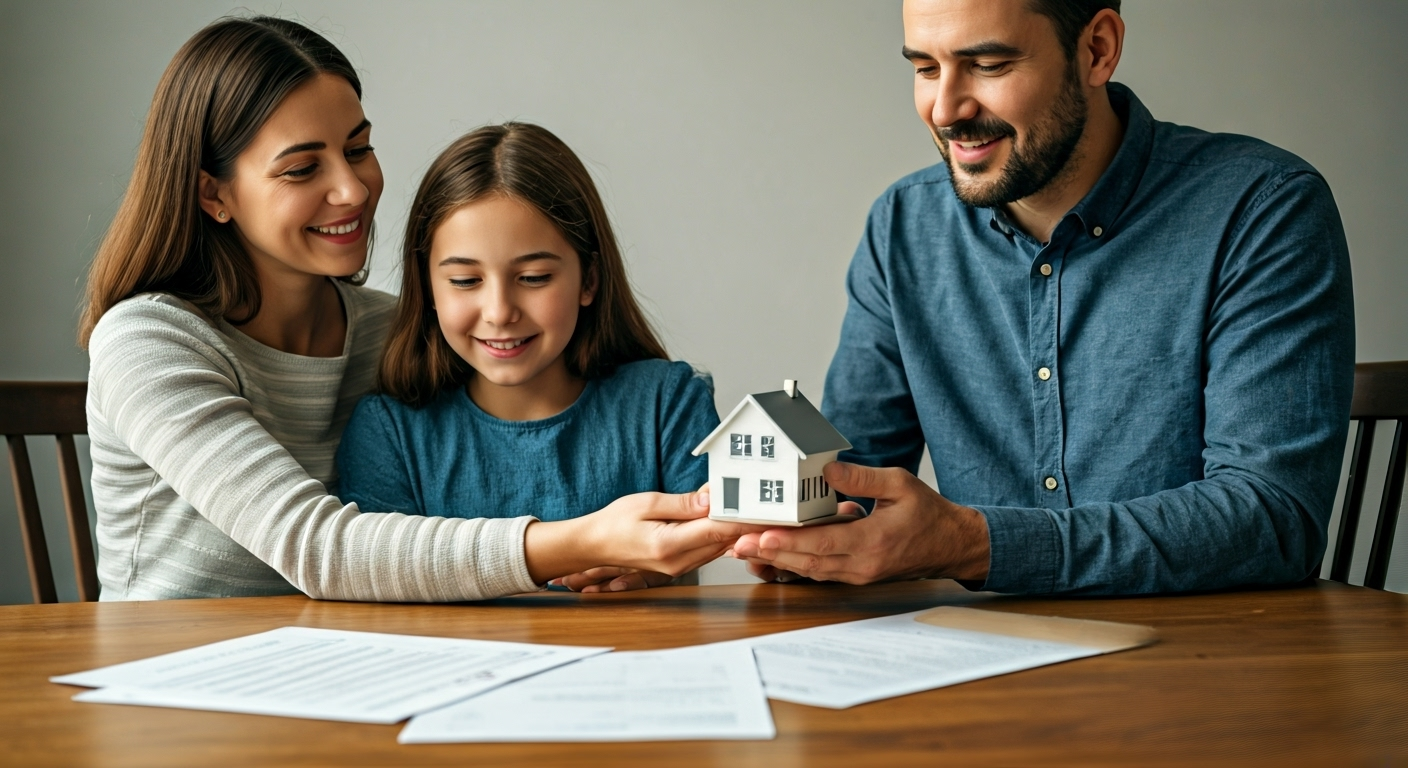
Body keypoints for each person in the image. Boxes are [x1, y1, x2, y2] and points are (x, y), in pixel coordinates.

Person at [80, 16, 746, 602]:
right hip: (170, 673)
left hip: (335, 661)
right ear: (212, 193)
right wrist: (581, 542)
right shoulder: (148, 341)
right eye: (302, 169)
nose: (352, 188)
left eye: (358, 148)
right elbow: (319, 549)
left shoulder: (389, 333)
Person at [732, 0, 1355, 594]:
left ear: (1097, 50)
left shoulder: (1262, 208)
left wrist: (976, 544)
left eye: (989, 65)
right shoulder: (903, 227)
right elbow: (851, 485)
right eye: (925, 68)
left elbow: (1273, 519)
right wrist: (791, 536)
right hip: (977, 661)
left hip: (1207, 666)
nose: (944, 109)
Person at [336, 122, 720, 593]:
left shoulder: (667, 403)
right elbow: (375, 574)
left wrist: (654, 574)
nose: (499, 312)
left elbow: (717, 539)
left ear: (589, 281)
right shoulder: (390, 432)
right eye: (464, 281)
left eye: (534, 277)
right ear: (429, 289)